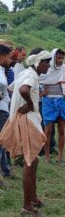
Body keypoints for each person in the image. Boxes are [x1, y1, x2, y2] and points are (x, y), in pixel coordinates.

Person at [7, 47, 51, 216]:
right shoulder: (31, 75)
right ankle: (27, 206)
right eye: (46, 63)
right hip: (27, 121)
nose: (48, 67)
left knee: (34, 161)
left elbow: (12, 88)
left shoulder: (24, 73)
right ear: (39, 62)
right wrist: (30, 104)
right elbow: (23, 90)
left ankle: (33, 198)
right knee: (30, 162)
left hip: (25, 119)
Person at [39, 48, 65, 164]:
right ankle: (47, 155)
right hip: (48, 101)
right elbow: (38, 80)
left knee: (61, 130)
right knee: (48, 130)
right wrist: (41, 93)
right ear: (53, 57)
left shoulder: (64, 69)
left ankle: (60, 156)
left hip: (61, 101)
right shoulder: (47, 69)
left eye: (62, 58)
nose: (60, 60)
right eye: (58, 58)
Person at [0, 44, 12, 181]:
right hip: (1, 110)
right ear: (2, 57)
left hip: (4, 109)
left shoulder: (3, 70)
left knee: (2, 143)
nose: (10, 60)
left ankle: (6, 171)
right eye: (9, 57)